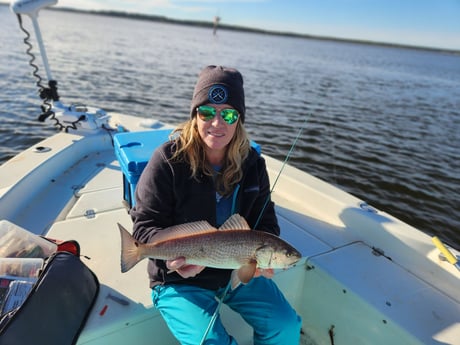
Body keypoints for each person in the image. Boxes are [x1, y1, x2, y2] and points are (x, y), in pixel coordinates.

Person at [130, 65, 301, 344]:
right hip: (179, 278)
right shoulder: (167, 160)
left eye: (229, 114)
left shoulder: (253, 164)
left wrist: (260, 262)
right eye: (207, 112)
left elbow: (266, 221)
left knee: (286, 325)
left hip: (238, 269)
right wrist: (171, 259)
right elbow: (145, 226)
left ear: (239, 120)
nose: (217, 123)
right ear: (195, 115)